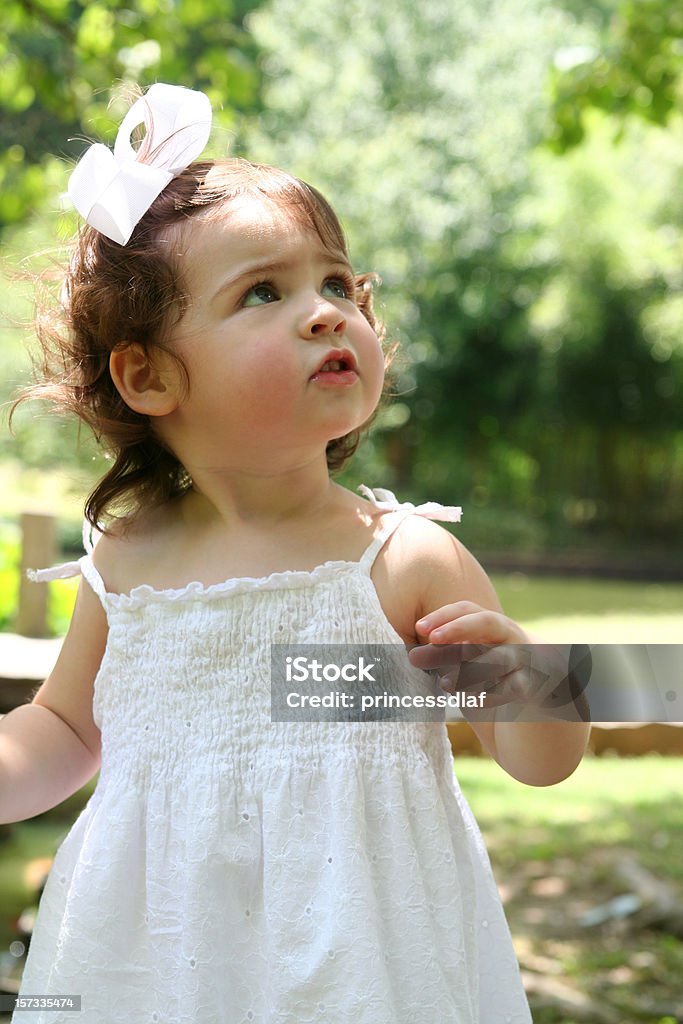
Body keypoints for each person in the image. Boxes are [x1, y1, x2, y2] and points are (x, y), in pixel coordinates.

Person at [0, 84, 590, 1023]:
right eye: (264, 292)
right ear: (148, 375)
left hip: (362, 956)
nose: (325, 313)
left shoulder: (402, 559)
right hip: (158, 955)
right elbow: (68, 732)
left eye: (336, 284)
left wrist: (521, 681)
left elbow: (543, 763)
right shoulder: (130, 561)